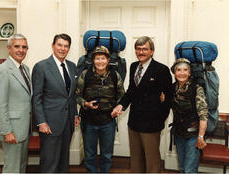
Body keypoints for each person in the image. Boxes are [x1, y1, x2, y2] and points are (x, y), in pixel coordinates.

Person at [112, 36, 172, 173]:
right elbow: (131, 91)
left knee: (152, 160)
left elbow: (168, 99)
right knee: (136, 158)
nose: (141, 52)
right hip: (134, 121)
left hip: (151, 124)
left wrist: (159, 120)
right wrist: (121, 105)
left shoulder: (161, 70)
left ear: (152, 51)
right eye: (138, 49)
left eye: (145, 49)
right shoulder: (134, 66)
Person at [32, 33, 80, 173]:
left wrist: (75, 114)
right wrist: (41, 122)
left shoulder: (72, 66)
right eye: (59, 45)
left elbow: (71, 95)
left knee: (63, 161)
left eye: (66, 46)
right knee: (49, 162)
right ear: (53, 46)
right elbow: (37, 97)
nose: (62, 49)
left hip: (68, 122)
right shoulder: (41, 67)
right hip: (50, 124)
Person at [76, 46, 125, 173]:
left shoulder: (115, 75)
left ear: (108, 60)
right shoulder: (85, 75)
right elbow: (76, 95)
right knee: (90, 154)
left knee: (107, 155)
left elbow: (121, 96)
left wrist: (118, 107)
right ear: (93, 60)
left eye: (103, 58)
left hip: (108, 122)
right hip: (88, 122)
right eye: (97, 58)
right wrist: (86, 103)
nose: (100, 61)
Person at [0, 34, 31, 173]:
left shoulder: (25, 69)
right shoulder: (2, 71)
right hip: (12, 130)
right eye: (17, 46)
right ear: (9, 48)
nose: (21, 50)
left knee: (20, 166)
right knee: (12, 169)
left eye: (24, 47)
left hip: (24, 128)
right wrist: (7, 131)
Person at [170, 58, 208, 173]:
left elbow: (203, 115)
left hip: (193, 135)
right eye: (179, 70)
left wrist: (200, 137)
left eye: (185, 70)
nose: (182, 73)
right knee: (182, 167)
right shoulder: (172, 88)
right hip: (179, 133)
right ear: (174, 72)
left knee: (189, 170)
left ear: (190, 72)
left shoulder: (196, 89)